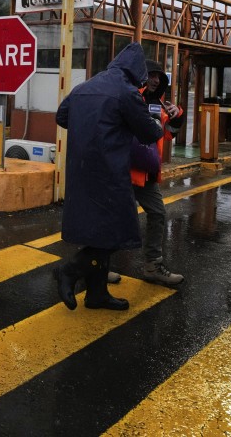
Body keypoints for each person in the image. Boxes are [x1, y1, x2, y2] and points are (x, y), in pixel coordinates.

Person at [53, 43, 162, 311]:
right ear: (136, 70)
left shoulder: (84, 87)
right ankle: (69, 269)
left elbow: (62, 116)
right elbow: (149, 133)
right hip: (109, 172)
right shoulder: (126, 93)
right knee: (117, 232)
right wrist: (159, 124)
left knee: (97, 233)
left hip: (80, 172)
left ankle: (97, 294)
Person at [108, 60, 185, 286]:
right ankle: (97, 265)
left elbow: (169, 134)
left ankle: (153, 266)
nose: (156, 80)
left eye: (159, 77)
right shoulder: (132, 98)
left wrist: (177, 114)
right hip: (125, 171)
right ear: (142, 77)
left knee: (158, 214)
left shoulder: (161, 106)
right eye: (152, 75)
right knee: (115, 220)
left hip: (148, 173)